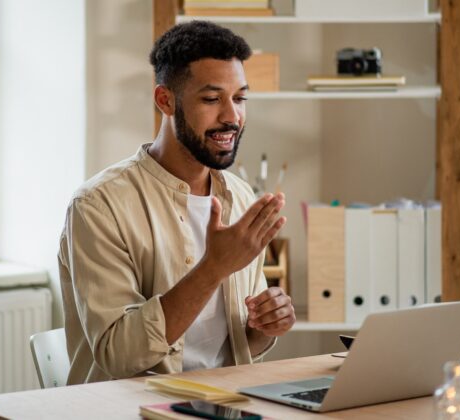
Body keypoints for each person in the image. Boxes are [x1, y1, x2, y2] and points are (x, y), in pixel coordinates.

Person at [58, 20, 296, 385]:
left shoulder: (240, 196)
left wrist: (268, 324)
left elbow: (240, 342)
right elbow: (118, 356)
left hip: (225, 401)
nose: (232, 117)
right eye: (212, 99)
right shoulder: (98, 206)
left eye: (240, 98)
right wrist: (213, 268)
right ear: (165, 101)